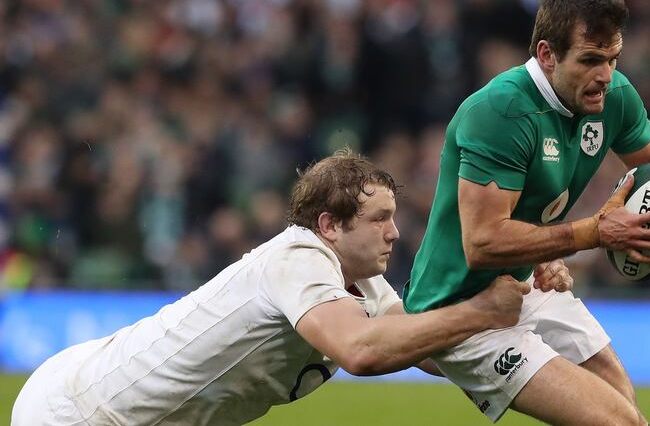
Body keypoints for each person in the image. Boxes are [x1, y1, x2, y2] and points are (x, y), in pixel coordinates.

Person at [12, 149, 531, 426]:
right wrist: (483, 311)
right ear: (329, 225)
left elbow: (424, 346)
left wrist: (520, 288)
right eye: (379, 218)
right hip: (79, 413)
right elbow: (362, 352)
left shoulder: (365, 284)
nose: (395, 232)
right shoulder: (297, 258)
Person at [403, 0, 650, 426]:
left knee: (630, 416)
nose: (606, 75)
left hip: (527, 286)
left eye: (613, 58)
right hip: (458, 310)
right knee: (615, 421)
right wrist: (594, 233)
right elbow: (482, 244)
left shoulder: (614, 96)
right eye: (591, 60)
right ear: (547, 54)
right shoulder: (502, 112)